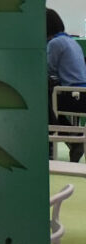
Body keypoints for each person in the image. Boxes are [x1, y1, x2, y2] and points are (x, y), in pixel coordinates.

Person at [47, 8, 86, 162]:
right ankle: (72, 138)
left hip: (72, 96)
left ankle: (63, 142)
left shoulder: (55, 43)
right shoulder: (71, 41)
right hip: (81, 94)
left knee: (43, 103)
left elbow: (46, 69)